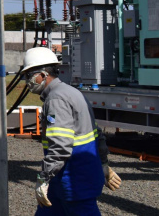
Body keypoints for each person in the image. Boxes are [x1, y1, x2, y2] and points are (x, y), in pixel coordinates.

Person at [20, 47, 122, 214]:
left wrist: (43, 178)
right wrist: (103, 163)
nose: (28, 81)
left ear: (44, 75)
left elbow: (60, 146)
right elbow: (97, 134)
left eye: (30, 76)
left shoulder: (56, 99)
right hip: (69, 179)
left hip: (73, 181)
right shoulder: (71, 93)